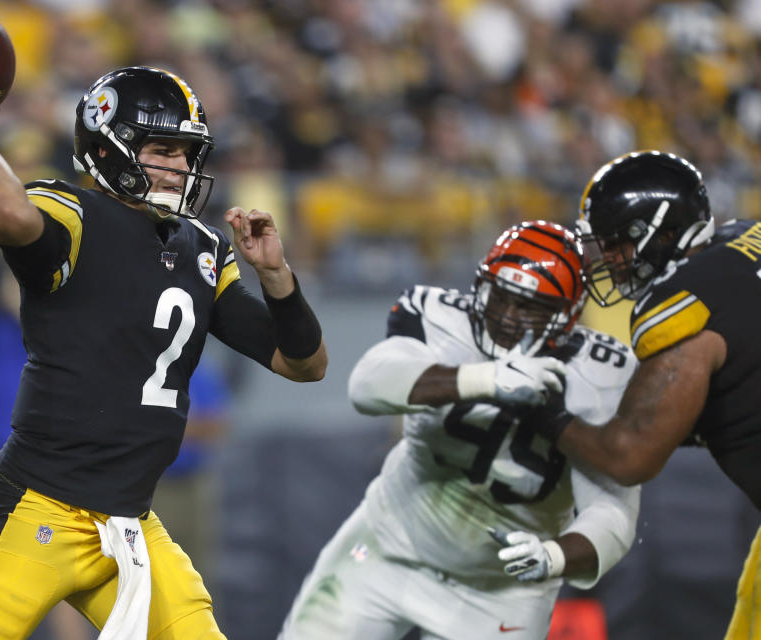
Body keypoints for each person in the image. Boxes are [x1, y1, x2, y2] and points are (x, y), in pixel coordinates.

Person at [0, 65, 327, 640]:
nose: (181, 167)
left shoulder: (204, 248)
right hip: (37, 505)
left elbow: (305, 364)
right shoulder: (75, 213)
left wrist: (279, 278)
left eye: (188, 153)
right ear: (109, 146)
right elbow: (9, 215)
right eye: (163, 149)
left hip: (130, 521)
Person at [278, 221, 640, 640]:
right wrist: (486, 379)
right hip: (386, 550)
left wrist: (553, 557)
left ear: (567, 314)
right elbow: (367, 384)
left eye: (531, 307)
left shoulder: (602, 374)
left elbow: (614, 510)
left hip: (504, 594)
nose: (508, 317)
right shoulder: (439, 317)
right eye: (501, 298)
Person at [538, 150, 761, 639]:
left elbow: (631, 455)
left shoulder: (683, 303)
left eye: (616, 244)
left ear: (658, 232)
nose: (610, 260)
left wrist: (548, 418)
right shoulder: (748, 237)